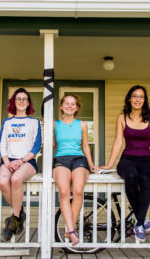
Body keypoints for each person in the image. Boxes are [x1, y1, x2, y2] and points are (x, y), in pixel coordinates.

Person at [101, 85, 150, 242]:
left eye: (141, 97)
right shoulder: (122, 117)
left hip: (146, 159)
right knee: (131, 176)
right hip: (127, 159)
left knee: (146, 178)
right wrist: (109, 164)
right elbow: (118, 141)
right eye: (134, 96)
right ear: (129, 98)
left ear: (145, 100)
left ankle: (139, 222)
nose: (138, 99)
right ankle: (142, 221)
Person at [53, 94, 99, 246]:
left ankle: (70, 229)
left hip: (78, 159)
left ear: (77, 108)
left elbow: (85, 146)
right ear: (61, 106)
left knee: (78, 190)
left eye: (73, 104)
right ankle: (72, 230)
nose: (70, 106)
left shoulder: (82, 125)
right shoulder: (55, 124)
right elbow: (52, 145)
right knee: (64, 192)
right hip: (61, 159)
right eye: (67, 103)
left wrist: (91, 164)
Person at [0, 88, 41, 241]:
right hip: (8, 160)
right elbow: (2, 144)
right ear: (13, 102)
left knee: (16, 179)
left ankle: (15, 219)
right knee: (3, 181)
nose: (21, 101)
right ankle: (20, 212)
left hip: (27, 161)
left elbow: (36, 146)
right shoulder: (7, 122)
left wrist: (22, 160)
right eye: (18, 99)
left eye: (24, 99)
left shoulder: (34, 122)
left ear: (28, 103)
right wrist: (7, 161)